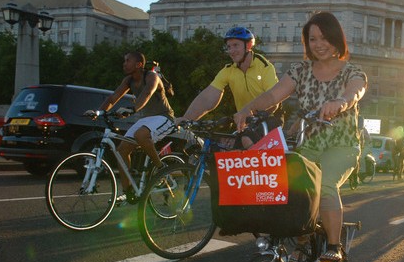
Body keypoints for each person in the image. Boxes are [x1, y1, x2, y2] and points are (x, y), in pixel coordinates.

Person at [233, 11, 367, 262]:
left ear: (336, 39)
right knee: (290, 185)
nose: (319, 44)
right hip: (309, 144)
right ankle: (303, 238)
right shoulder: (300, 70)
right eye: (313, 39)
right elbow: (273, 95)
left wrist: (340, 102)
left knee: (324, 184)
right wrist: (247, 109)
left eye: (324, 38)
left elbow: (355, 91)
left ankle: (334, 246)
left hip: (342, 145)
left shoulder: (352, 71)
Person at [90, 51, 176, 204]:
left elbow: (147, 93)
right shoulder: (128, 80)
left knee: (141, 135)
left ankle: (161, 168)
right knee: (122, 150)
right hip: (147, 119)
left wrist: (133, 109)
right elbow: (113, 97)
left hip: (164, 117)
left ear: (139, 65)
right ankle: (128, 191)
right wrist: (99, 112)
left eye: (127, 61)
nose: (124, 63)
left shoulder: (151, 77)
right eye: (124, 61)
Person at [175, 27, 281, 148]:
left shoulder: (264, 66)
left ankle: (260, 166)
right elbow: (207, 98)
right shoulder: (228, 70)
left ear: (249, 45)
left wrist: (250, 116)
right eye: (229, 47)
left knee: (246, 139)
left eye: (235, 45)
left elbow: (274, 102)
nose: (231, 51)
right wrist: (186, 119)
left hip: (270, 117)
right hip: (243, 122)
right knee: (222, 148)